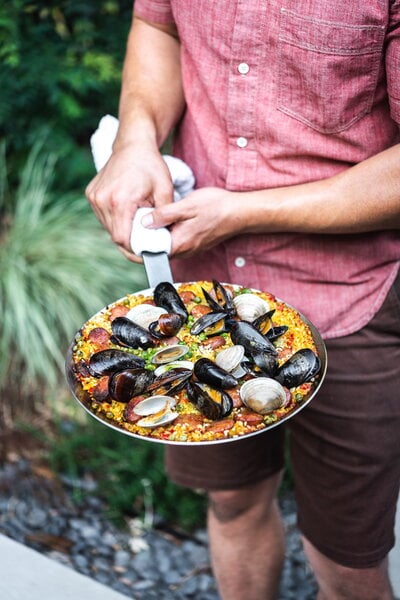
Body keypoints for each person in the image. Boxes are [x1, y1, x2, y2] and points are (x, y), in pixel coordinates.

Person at [85, 2, 400, 598]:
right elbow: (158, 24)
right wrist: (135, 137)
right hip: (200, 290)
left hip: (350, 295)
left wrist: (246, 211)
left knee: (347, 560)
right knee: (231, 503)